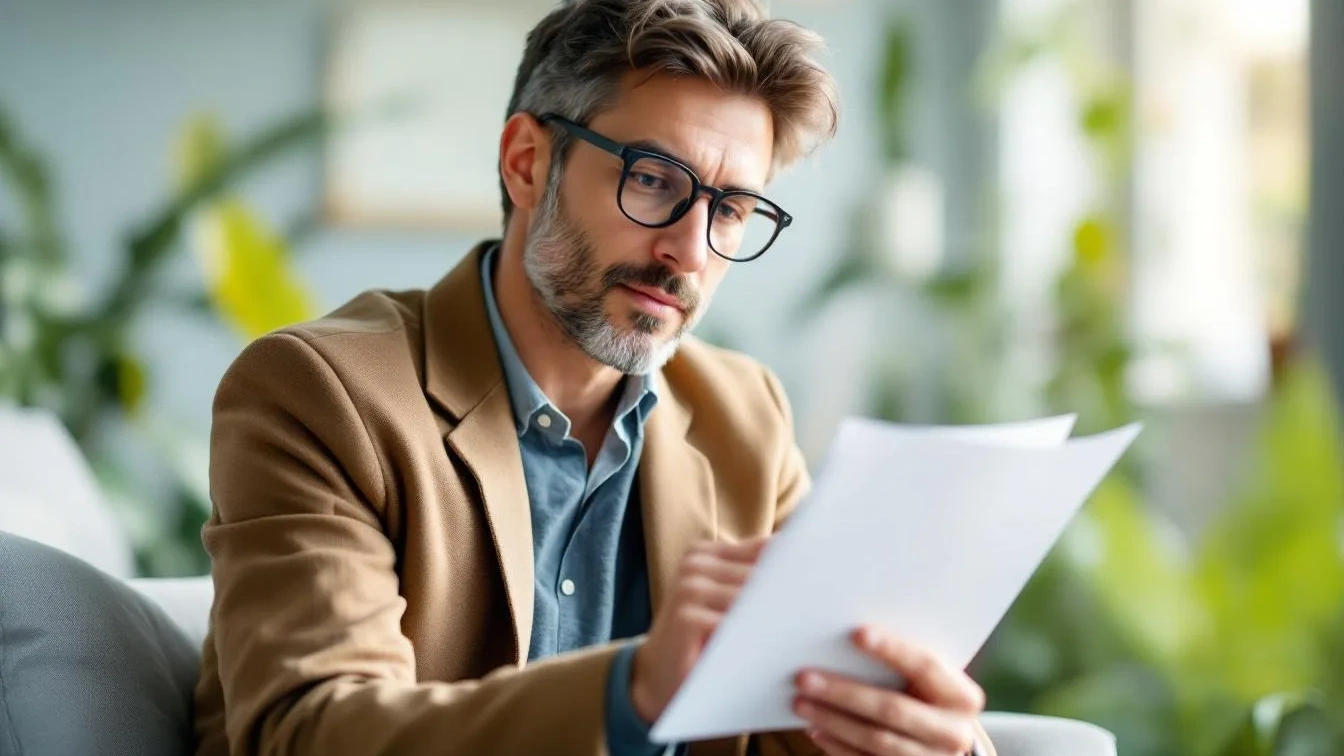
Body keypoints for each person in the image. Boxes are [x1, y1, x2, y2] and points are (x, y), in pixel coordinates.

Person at [192, 1, 995, 754]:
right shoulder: (323, 394)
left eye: (731, 210)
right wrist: (633, 690)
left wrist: (916, 728)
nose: (690, 249)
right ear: (527, 162)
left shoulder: (744, 415)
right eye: (652, 178)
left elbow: (800, 718)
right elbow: (311, 730)